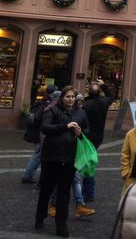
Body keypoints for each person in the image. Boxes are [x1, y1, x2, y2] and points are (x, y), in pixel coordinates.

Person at [35, 85, 89, 238]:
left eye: (73, 97)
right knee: (46, 190)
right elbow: (45, 128)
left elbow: (87, 130)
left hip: (70, 158)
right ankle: (40, 217)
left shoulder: (81, 113)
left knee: (64, 193)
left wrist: (80, 133)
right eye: (68, 97)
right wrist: (65, 126)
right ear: (62, 98)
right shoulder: (52, 110)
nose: (71, 99)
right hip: (51, 157)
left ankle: (61, 225)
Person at [82, 78, 114, 202]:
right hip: (97, 137)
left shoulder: (86, 105)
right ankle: (87, 192)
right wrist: (104, 85)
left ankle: (88, 193)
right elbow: (111, 96)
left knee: (86, 166)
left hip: (85, 137)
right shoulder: (103, 103)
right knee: (88, 164)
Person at [21, 84, 58, 184]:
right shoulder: (48, 104)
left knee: (38, 155)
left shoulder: (41, 101)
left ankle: (29, 175)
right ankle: (28, 176)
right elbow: (40, 120)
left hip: (36, 133)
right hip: (41, 135)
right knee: (38, 155)